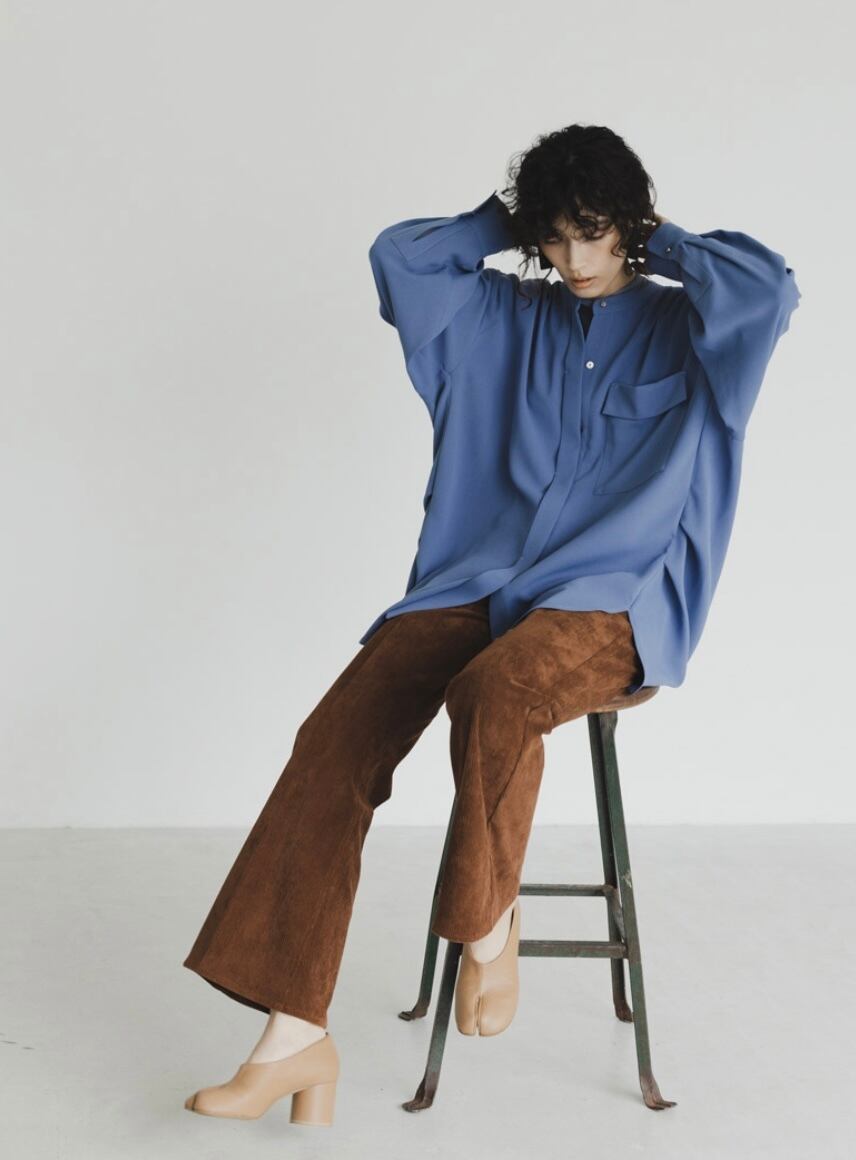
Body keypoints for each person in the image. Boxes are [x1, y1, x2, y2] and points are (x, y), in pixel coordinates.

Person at [181, 123, 801, 1124]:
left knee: (497, 690)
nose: (575, 258)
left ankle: (482, 920)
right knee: (331, 740)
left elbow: (767, 288)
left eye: (593, 233)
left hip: (609, 599)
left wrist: (653, 237)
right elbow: (399, 257)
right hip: (472, 581)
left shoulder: (689, 327)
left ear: (627, 225)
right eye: (555, 237)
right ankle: (294, 1038)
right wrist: (509, 223)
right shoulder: (501, 317)